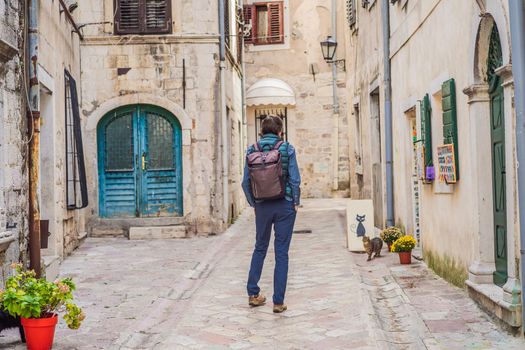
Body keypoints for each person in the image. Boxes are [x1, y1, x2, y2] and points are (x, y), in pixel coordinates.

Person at [241, 115, 301, 313]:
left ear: (261, 131)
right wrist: (295, 202)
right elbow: (295, 179)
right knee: (281, 253)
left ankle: (253, 294)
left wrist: (254, 203)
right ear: (279, 132)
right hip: (284, 205)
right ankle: (278, 302)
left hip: (262, 206)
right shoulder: (287, 148)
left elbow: (245, 182)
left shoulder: (252, 150)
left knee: (260, 248)